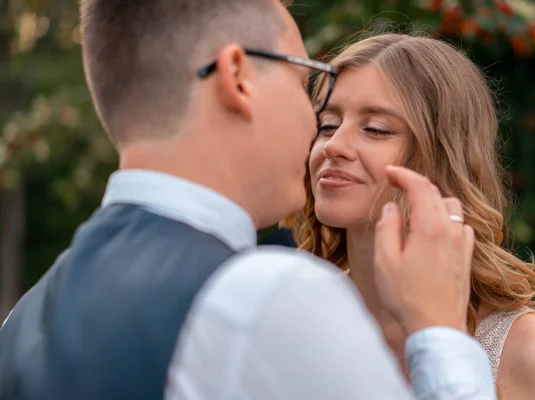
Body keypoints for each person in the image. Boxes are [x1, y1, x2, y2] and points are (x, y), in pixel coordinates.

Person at [0, 1, 496, 399]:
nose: (316, 132)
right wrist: (441, 334)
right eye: (305, 83)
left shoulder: (23, 321)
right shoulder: (269, 296)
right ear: (238, 76)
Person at [284, 33, 535, 399]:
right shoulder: (290, 315)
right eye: (327, 124)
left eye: (375, 129)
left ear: (444, 155)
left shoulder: (530, 351)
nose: (334, 145)